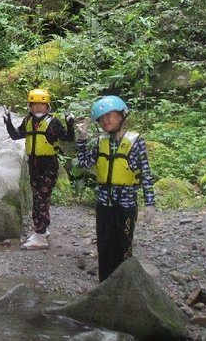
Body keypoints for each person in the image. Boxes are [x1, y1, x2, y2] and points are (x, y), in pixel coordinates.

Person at [75, 95, 155, 282]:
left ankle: (124, 284)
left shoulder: (136, 142)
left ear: (121, 115)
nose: (106, 121)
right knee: (104, 246)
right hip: (104, 204)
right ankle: (105, 284)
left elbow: (145, 173)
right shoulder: (101, 142)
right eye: (102, 118)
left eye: (109, 115)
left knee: (123, 246)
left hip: (126, 205)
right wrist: (82, 138)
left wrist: (150, 203)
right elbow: (85, 163)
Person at [3, 88, 75, 250]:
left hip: (49, 164)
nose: (38, 107)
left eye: (41, 104)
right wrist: (8, 123)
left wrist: (70, 125)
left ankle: (41, 236)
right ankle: (41, 231)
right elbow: (16, 135)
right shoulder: (28, 120)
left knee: (42, 198)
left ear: (47, 105)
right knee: (38, 198)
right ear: (30, 105)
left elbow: (68, 138)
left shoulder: (53, 122)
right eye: (34, 104)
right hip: (33, 163)